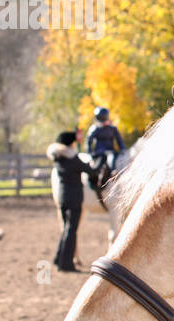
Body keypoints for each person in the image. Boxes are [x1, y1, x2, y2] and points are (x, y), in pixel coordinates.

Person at [48, 129, 97, 273]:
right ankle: (66, 263)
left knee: (66, 228)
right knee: (71, 230)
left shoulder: (58, 158)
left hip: (63, 197)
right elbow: (90, 171)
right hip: (74, 198)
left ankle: (59, 258)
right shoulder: (73, 159)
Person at [85, 107, 125, 172]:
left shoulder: (112, 128)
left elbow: (119, 139)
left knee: (112, 158)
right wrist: (89, 152)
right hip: (99, 152)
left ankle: (114, 172)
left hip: (110, 151)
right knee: (94, 169)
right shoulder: (95, 128)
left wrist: (122, 149)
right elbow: (88, 141)